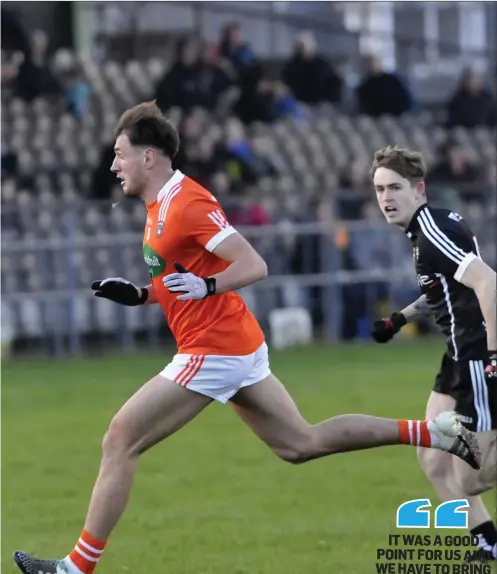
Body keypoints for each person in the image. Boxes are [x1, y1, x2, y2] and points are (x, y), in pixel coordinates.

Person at [14, 105, 481, 574]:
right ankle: (434, 433)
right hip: (229, 342)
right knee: (302, 443)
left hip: (214, 346)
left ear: (149, 157)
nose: (114, 165)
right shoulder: (159, 206)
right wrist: (140, 295)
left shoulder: (187, 202)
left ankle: (76, 568)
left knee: (119, 439)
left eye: (120, 154)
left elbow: (253, 264)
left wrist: (207, 287)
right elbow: (187, 276)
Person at [369, 146, 497, 563]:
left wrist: (494, 356)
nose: (386, 198)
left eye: (395, 188)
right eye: (379, 190)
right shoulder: (427, 229)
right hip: (456, 355)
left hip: (477, 355)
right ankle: (486, 540)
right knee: (432, 455)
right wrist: (400, 319)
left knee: (473, 478)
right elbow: (442, 289)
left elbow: (489, 285)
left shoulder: (433, 232)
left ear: (418, 189)